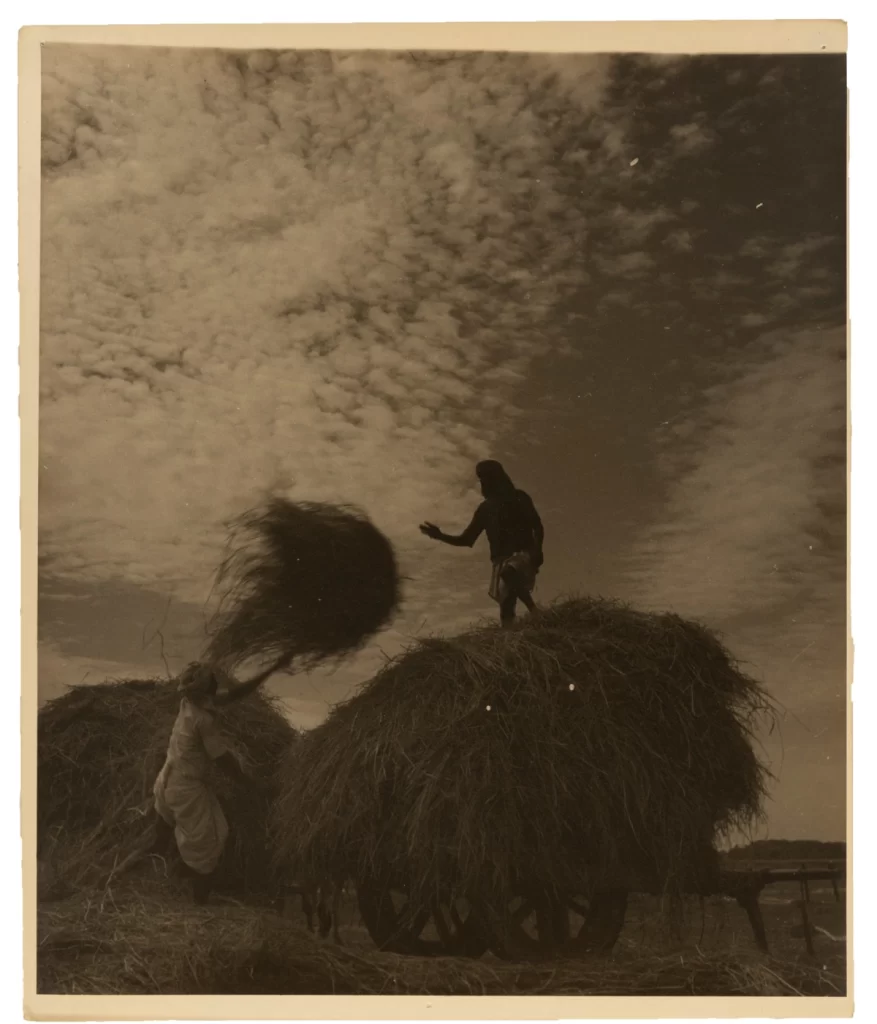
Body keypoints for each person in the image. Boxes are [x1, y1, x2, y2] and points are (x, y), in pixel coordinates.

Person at [120, 654, 289, 904]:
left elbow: (235, 695)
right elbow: (223, 760)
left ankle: (124, 874)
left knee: (160, 838)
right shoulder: (203, 721)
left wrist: (271, 669)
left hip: (167, 778)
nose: (218, 685)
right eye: (213, 683)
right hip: (185, 789)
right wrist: (254, 785)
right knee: (210, 847)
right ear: (208, 690)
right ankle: (199, 908)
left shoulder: (188, 703)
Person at [420, 460, 545, 628]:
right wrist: (440, 536)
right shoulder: (485, 509)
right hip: (499, 561)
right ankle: (508, 640)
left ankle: (535, 611)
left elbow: (536, 526)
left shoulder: (519, 497)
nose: (485, 481)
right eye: (482, 478)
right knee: (506, 607)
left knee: (508, 574)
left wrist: (538, 549)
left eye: (489, 476)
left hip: (522, 555)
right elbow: (467, 540)